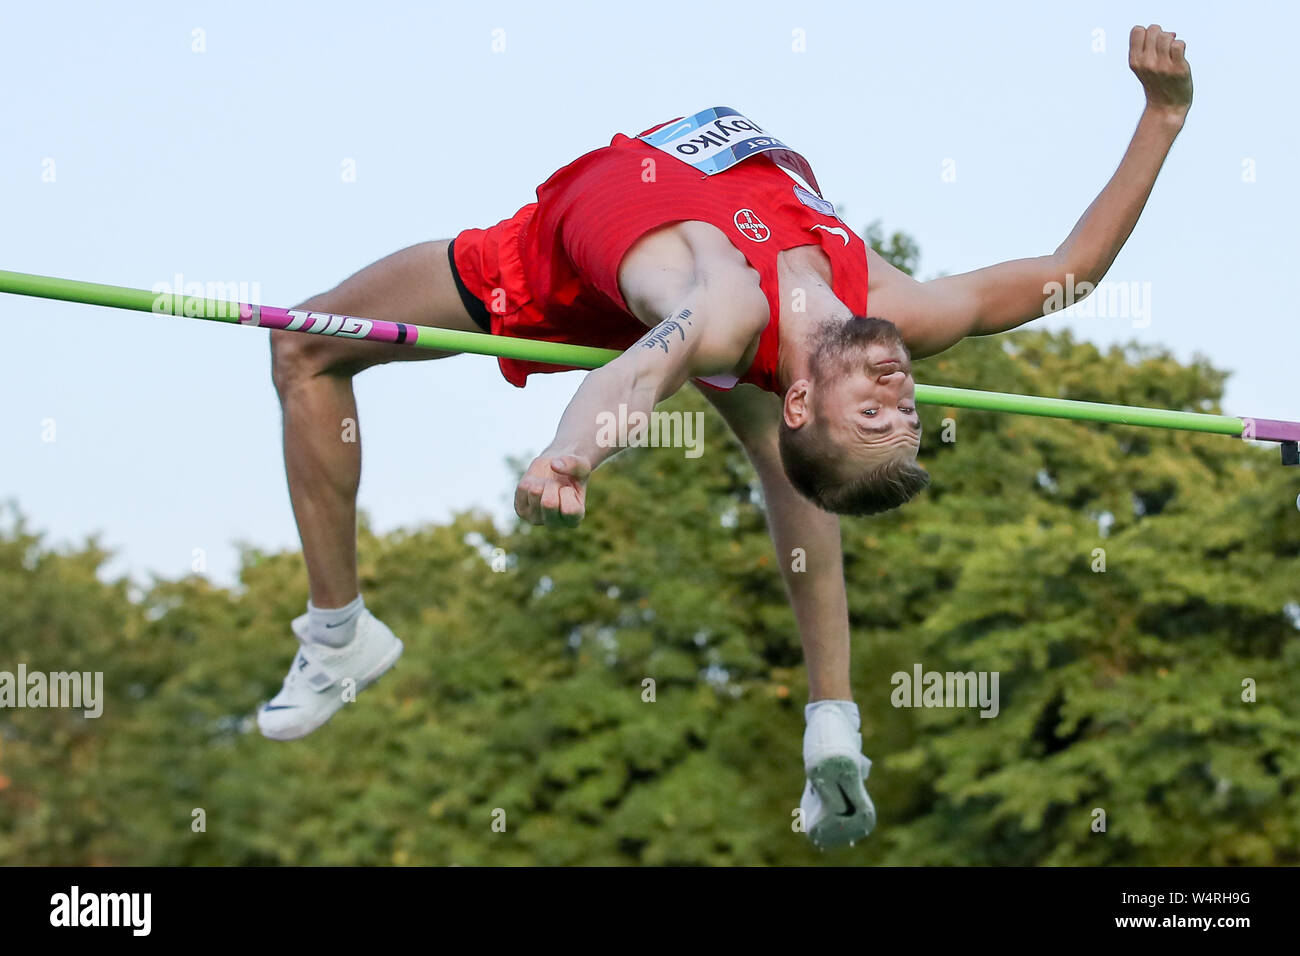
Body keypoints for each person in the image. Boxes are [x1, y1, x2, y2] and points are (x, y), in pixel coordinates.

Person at [258, 25, 1192, 849]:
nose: (902, 400)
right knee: (792, 462)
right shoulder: (897, 312)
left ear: (807, 404)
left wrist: (574, 453)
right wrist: (1163, 117)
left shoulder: (721, 309)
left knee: (305, 344)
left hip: (558, 271)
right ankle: (832, 721)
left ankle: (338, 633)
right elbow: (1071, 271)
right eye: (905, 419)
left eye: (878, 415)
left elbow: (635, 373)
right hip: (724, 283)